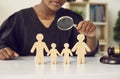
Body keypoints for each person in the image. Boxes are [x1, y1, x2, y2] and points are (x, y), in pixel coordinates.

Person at [0, 0, 99, 60]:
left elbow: (86, 53)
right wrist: (3, 52)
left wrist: (91, 37)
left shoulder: (73, 19)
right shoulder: (18, 19)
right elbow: (2, 45)